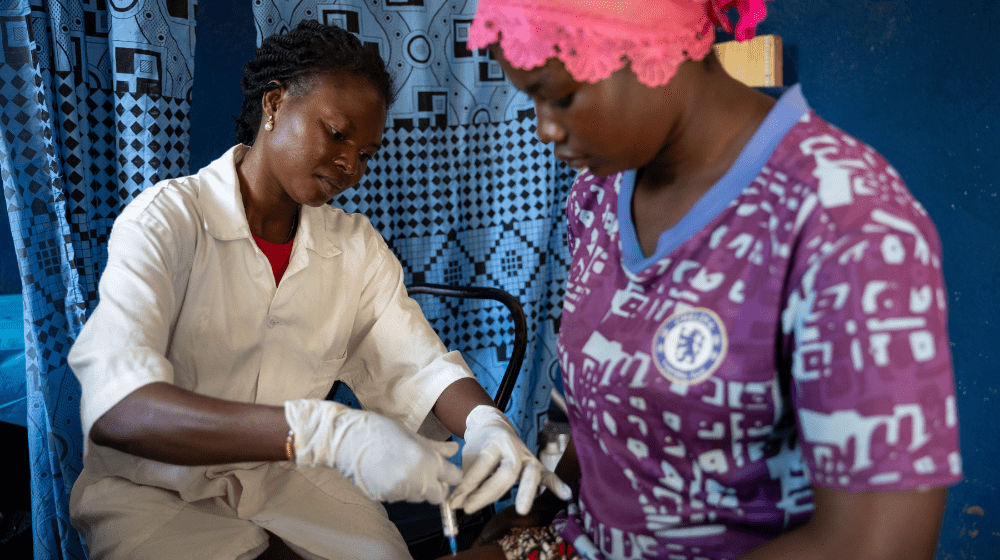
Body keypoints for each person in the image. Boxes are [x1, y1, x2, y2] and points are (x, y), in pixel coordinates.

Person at [442, 1, 964, 559]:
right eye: (533, 99)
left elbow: (878, 547)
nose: (545, 129)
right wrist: (539, 506)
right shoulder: (599, 193)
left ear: (648, 49)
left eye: (560, 96)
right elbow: (596, 402)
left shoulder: (843, 222)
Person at [67, 20, 570, 560]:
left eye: (366, 152)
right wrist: (320, 433)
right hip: (156, 489)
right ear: (275, 104)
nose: (351, 165)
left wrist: (484, 424)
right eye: (336, 134)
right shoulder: (167, 220)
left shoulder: (353, 247)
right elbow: (119, 408)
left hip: (290, 483)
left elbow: (417, 367)